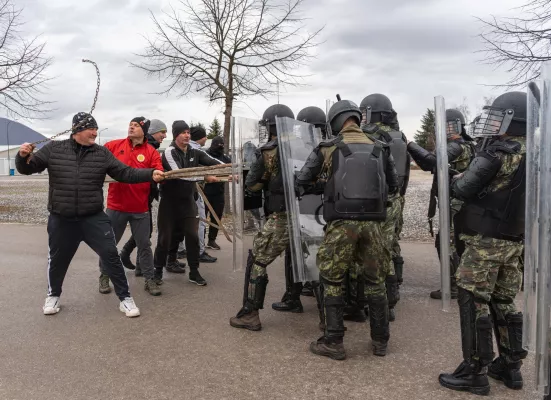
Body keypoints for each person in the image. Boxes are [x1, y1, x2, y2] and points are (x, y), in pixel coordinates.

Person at [15, 112, 165, 317]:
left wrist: (150, 174)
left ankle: (125, 298)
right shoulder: (54, 149)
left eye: (96, 128)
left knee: (111, 255)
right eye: (91, 129)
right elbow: (27, 169)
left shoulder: (101, 154)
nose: (95, 132)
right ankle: (53, 295)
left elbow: (125, 173)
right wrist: (22, 156)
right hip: (62, 218)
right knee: (58, 260)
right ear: (77, 130)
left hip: (93, 217)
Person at [439, 92, 528, 395]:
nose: (491, 123)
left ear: (511, 119)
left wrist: (455, 177)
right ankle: (511, 367)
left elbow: (463, 189)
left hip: (485, 241)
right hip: (515, 242)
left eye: (497, 117)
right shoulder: (537, 153)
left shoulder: (498, 153)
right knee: (505, 301)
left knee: (473, 299)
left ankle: (475, 371)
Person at [296, 99, 397, 359]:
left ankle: (334, 340)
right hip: (374, 225)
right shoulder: (381, 147)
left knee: (332, 278)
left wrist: (327, 184)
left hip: (341, 224)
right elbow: (393, 186)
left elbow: (303, 181)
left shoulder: (327, 147)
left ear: (336, 122)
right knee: (375, 281)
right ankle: (380, 341)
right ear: (356, 118)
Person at [229, 104, 295, 331]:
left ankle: (249, 314)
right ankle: (323, 320)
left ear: (270, 126)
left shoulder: (269, 152)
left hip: (282, 216)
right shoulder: (309, 146)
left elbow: (252, 185)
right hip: (309, 217)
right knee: (305, 261)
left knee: (257, 260)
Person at [407, 109, 474, 299]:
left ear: (456, 127)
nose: (443, 129)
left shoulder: (456, 146)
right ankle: (459, 284)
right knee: (453, 243)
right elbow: (429, 164)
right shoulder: (465, 145)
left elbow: (433, 161)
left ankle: (453, 286)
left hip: (456, 205)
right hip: (458, 204)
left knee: (447, 243)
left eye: (447, 126)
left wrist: (410, 144)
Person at [98, 117, 164, 296]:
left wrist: (158, 174)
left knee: (144, 245)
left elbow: (158, 169)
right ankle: (104, 276)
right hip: (116, 206)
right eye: (131, 124)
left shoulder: (151, 152)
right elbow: (96, 157)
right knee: (110, 244)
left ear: (144, 131)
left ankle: (149, 280)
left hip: (140, 208)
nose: (132, 127)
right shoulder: (114, 145)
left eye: (136, 125)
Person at [152, 121, 223, 287]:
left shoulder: (194, 151)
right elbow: (180, 174)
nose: (187, 135)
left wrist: (228, 170)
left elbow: (211, 161)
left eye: (188, 132)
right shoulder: (169, 152)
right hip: (169, 203)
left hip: (188, 202)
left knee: (192, 236)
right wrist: (204, 177)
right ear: (176, 135)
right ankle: (157, 272)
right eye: (183, 132)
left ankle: (194, 271)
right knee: (165, 238)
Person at [359, 93, 410, 322]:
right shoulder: (400, 135)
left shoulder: (368, 134)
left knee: (376, 252)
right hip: (396, 199)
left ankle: (380, 303)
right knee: (391, 246)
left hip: (376, 201)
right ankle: (393, 294)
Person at [271, 105, 327, 314]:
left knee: (300, 255)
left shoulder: (299, 148)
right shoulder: (330, 144)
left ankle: (297, 300)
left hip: (303, 208)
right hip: (321, 209)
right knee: (316, 256)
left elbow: (295, 180)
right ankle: (315, 306)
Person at [119, 119, 168, 276]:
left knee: (144, 233)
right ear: (152, 132)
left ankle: (137, 264)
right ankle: (129, 257)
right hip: (138, 195)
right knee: (144, 233)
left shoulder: (153, 146)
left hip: (146, 194)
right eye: (162, 132)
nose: (165, 135)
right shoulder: (149, 147)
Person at [176, 125, 218, 264]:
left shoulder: (185, 149)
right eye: (204, 136)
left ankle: (180, 249)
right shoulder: (195, 150)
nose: (206, 138)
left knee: (181, 221)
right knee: (198, 222)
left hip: (182, 192)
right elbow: (212, 164)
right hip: (193, 190)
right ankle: (198, 252)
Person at [203, 136, 231, 250]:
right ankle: (200, 241)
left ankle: (211, 240)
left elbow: (231, 170)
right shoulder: (204, 156)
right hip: (204, 192)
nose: (220, 148)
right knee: (202, 218)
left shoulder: (225, 158)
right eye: (217, 145)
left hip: (219, 192)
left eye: (221, 146)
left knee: (217, 217)